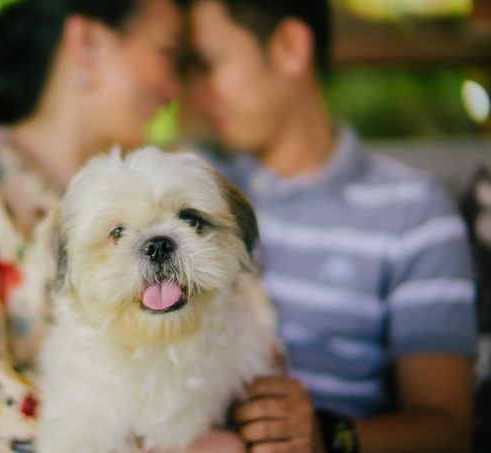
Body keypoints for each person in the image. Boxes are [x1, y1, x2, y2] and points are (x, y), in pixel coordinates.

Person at [0, 0, 244, 452]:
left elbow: (239, 316)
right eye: (168, 53)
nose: (176, 88)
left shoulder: (176, 171)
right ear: (85, 42)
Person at [184, 0, 477, 452]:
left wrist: (325, 437)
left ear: (288, 47)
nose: (194, 92)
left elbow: (449, 428)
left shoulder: (413, 212)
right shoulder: (189, 185)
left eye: (207, 63)